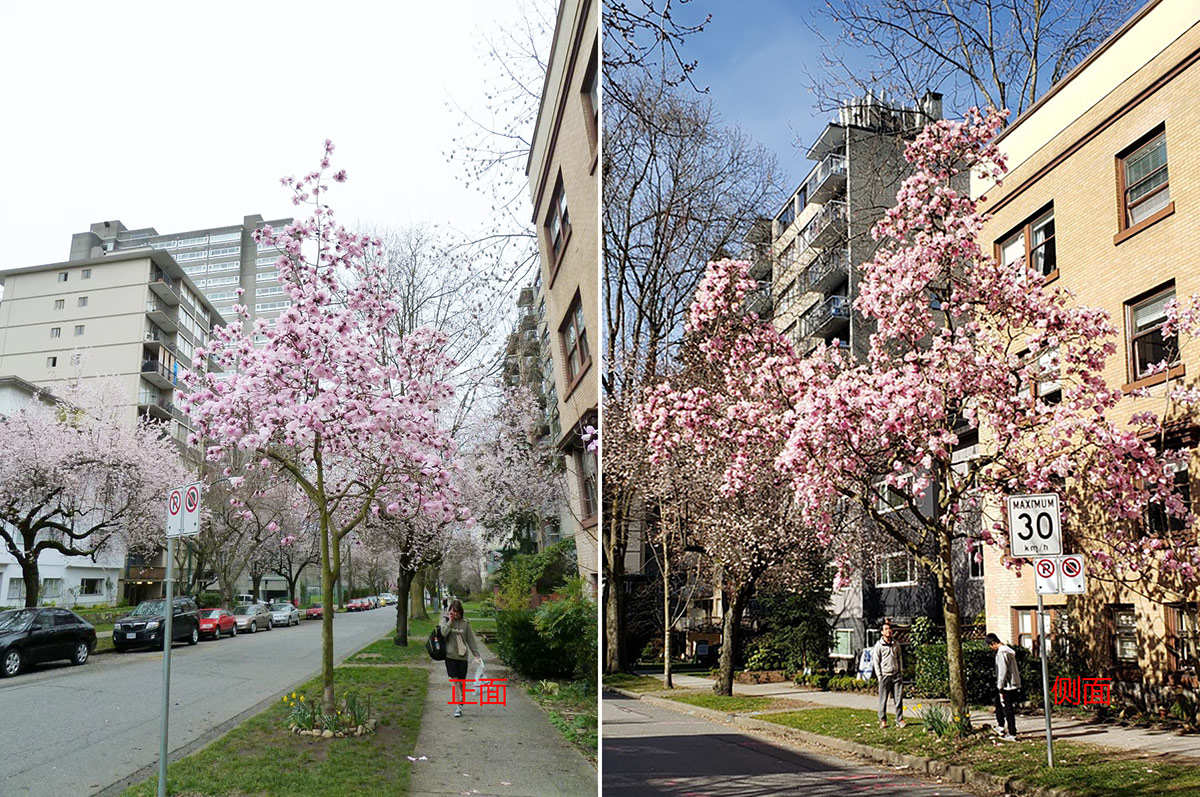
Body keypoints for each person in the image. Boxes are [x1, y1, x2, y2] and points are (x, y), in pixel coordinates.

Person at [440, 599, 484, 718]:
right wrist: (450, 621)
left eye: (457, 612)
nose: (455, 615)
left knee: (461, 682)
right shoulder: (446, 621)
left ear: (461, 612)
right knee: (455, 681)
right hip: (450, 656)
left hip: (462, 658)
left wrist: (477, 655)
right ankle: (458, 706)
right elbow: (443, 633)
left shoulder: (465, 623)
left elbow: (471, 640)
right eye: (453, 612)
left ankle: (461, 699)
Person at [871, 619, 905, 729]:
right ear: (882, 632)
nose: (888, 631)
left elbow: (899, 658)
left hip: (896, 675)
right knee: (883, 700)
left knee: (898, 699)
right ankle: (883, 720)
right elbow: (876, 662)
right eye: (886, 629)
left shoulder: (896, 644)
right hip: (885, 676)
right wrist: (879, 676)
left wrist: (900, 671)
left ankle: (899, 719)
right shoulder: (878, 646)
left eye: (890, 629)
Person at [987, 632, 1021, 740]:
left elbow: (1002, 671)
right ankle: (1001, 726)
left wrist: (1000, 686)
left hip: (1007, 685)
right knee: (999, 704)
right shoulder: (1008, 651)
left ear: (993, 643)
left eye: (990, 646)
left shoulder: (1002, 653)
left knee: (1008, 709)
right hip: (1011, 683)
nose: (990, 648)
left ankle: (1012, 733)